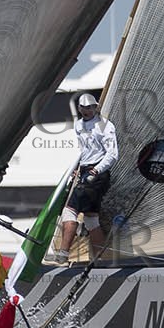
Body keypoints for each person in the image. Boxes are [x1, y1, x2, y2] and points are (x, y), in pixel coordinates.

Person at [51, 92, 117, 264]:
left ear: (96, 107)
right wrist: (77, 169)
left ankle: (63, 254)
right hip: (85, 170)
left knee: (69, 211)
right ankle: (101, 260)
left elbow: (112, 154)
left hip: (98, 174)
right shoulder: (78, 125)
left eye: (90, 107)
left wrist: (96, 170)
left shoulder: (106, 126)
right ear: (79, 109)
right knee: (91, 219)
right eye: (83, 108)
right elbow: (83, 151)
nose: (87, 111)